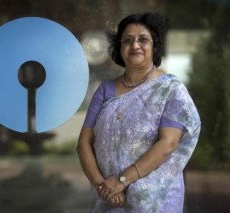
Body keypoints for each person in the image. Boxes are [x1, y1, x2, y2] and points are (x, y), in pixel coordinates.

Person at [76, 12, 201, 212]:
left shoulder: (171, 89)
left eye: (143, 39)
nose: (135, 45)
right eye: (128, 40)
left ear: (154, 46)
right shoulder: (105, 90)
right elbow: (83, 143)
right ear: (120, 48)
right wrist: (104, 187)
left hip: (154, 201)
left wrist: (121, 180)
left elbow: (168, 144)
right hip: (109, 199)